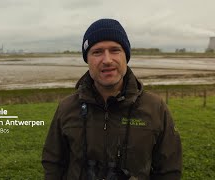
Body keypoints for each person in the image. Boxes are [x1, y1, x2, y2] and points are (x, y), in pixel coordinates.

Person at [41, 18, 182, 180]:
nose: (107, 60)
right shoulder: (67, 107)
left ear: (126, 56)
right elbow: (53, 163)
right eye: (97, 52)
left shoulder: (155, 108)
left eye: (115, 50)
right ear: (87, 59)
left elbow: (169, 171)